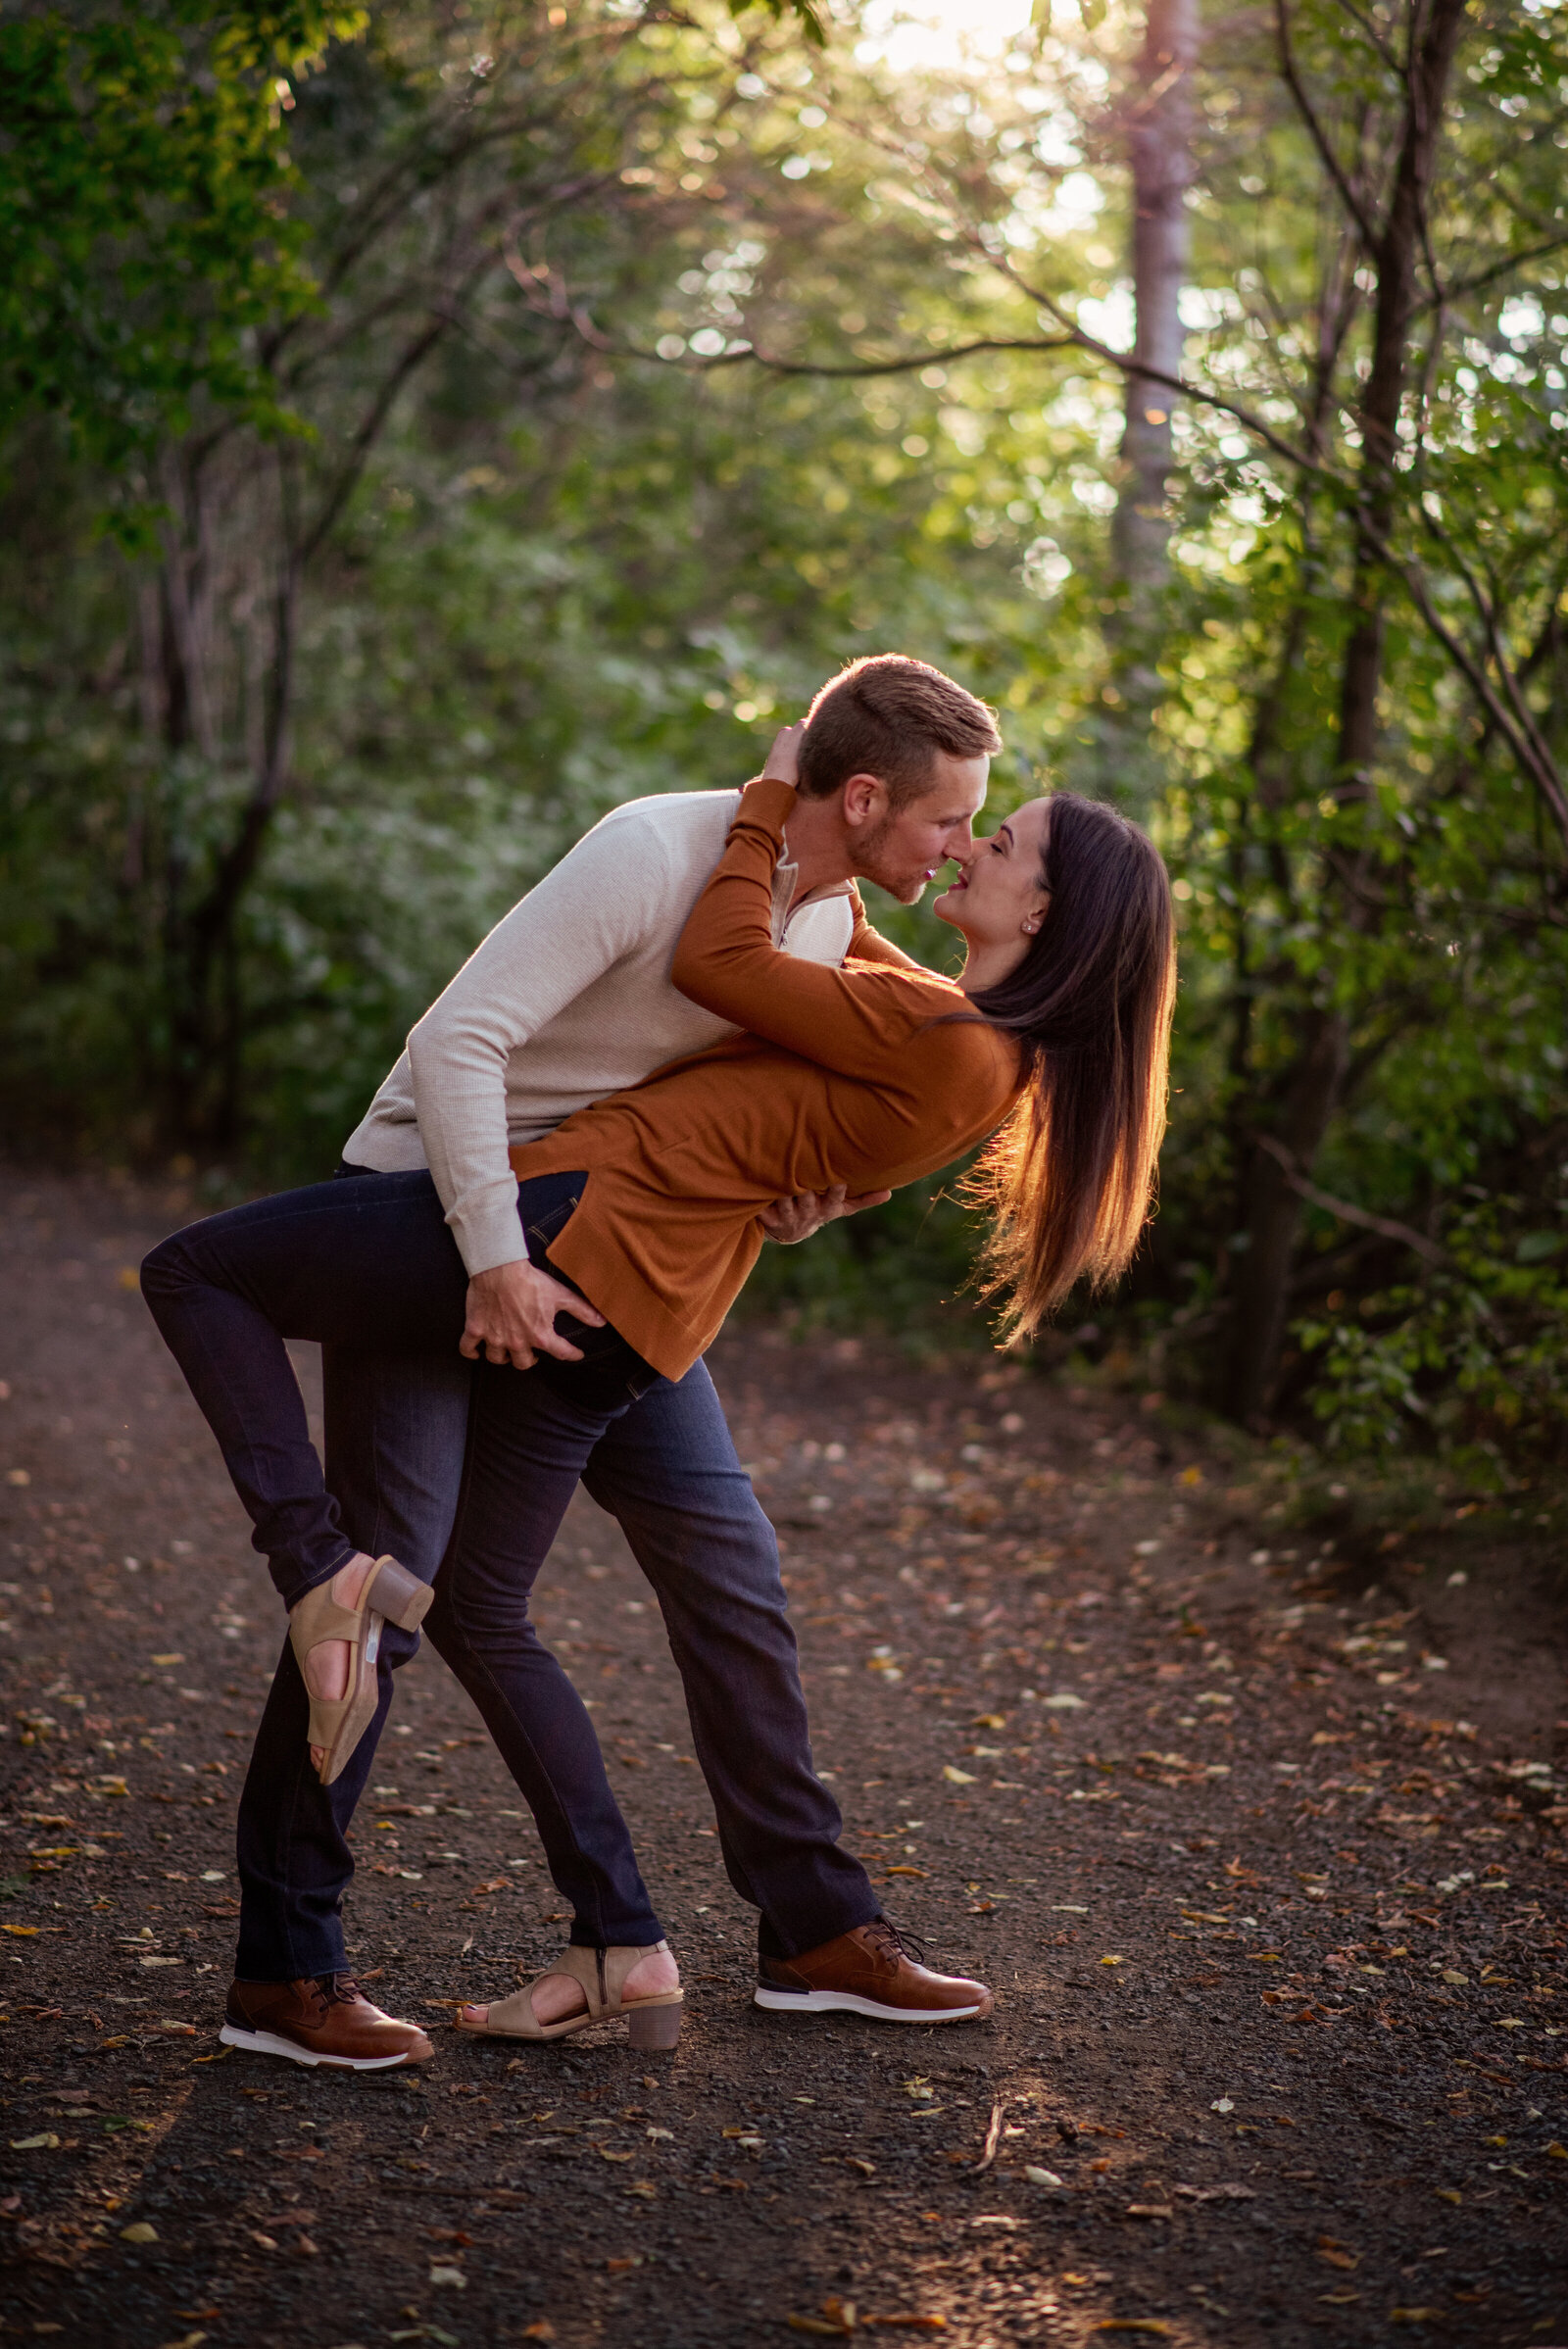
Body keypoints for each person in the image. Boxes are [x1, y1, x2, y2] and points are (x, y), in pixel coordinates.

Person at [142, 698, 1176, 2064]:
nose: (966, 840)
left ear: (1043, 916)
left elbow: (847, 1080)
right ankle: (292, 1964)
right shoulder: (670, 857)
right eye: (953, 815)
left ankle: (793, 1926)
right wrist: (508, 1250)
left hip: (638, 1273)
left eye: (994, 834)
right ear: (860, 797)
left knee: (721, 1570)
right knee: (401, 1596)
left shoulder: (860, 938)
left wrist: (809, 1186)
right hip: (480, 1211)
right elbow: (609, 1016)